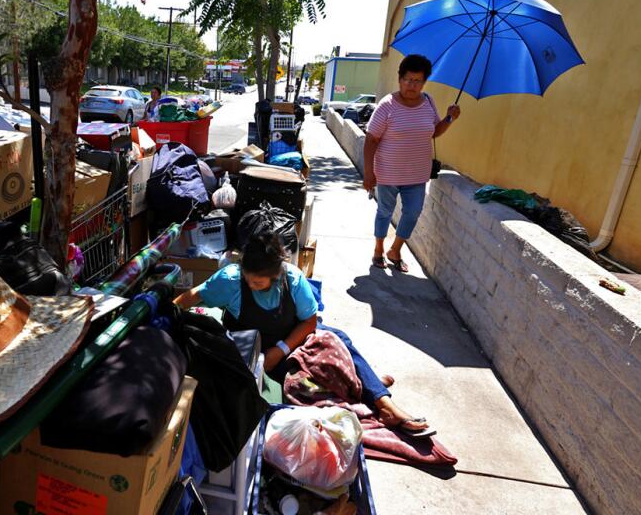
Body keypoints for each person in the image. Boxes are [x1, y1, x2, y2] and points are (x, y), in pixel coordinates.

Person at [174, 232, 431, 435]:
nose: (252, 286)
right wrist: (166, 308)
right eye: (248, 280)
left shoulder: (293, 279)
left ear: (276, 275)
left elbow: (309, 320)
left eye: (259, 283)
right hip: (255, 353)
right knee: (303, 388)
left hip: (292, 340)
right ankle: (360, 384)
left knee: (340, 340)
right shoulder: (230, 280)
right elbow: (194, 295)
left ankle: (384, 404)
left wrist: (281, 349)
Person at [363, 54, 461, 272]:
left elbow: (434, 132)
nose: (412, 85)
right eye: (408, 80)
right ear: (400, 79)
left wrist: (449, 118)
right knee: (385, 211)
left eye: (417, 81)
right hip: (388, 172)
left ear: (424, 82)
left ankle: (395, 249)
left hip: (417, 173)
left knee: (413, 212)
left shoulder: (428, 102)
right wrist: (369, 172)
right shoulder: (387, 106)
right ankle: (378, 249)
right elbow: (371, 139)